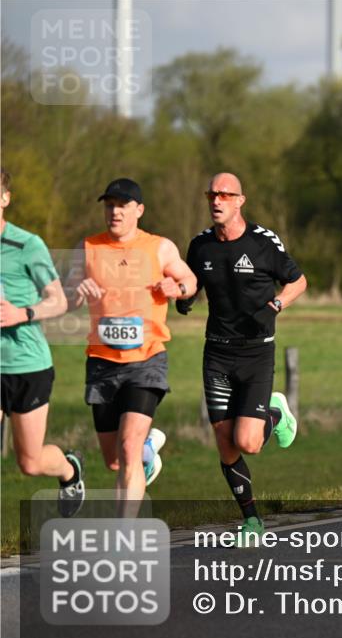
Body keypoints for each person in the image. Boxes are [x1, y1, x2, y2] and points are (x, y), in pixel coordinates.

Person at [178, 172, 306, 542]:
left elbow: (299, 280)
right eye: (211, 194)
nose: (216, 201)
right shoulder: (200, 246)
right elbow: (193, 284)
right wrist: (184, 298)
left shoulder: (263, 243)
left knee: (248, 441)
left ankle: (275, 412)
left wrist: (278, 304)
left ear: (240, 200)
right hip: (216, 353)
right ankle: (251, 520)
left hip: (256, 353)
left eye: (224, 194)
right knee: (225, 442)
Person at [70, 178, 197, 512]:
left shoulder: (159, 247)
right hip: (101, 362)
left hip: (147, 359)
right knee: (114, 460)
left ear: (138, 210)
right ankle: (148, 451)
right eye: (109, 205)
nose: (114, 212)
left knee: (127, 449)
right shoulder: (88, 247)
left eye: (122, 206)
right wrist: (76, 291)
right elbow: (63, 296)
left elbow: (190, 280)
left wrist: (178, 288)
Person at [0, 168, 82, 517]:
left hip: (27, 364)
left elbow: (58, 301)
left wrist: (22, 314)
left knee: (30, 463)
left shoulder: (26, 244)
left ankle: (69, 470)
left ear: (4, 198)